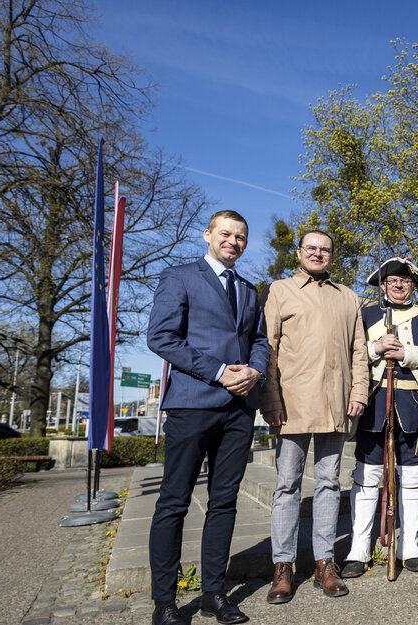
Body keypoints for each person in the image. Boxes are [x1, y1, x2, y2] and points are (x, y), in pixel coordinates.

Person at [146, 210, 270, 625]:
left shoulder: (250, 291)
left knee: (224, 502)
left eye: (240, 236)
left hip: (239, 408)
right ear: (208, 235)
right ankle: (164, 601)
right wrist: (218, 371)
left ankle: (213, 594)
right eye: (226, 233)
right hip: (193, 403)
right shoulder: (179, 277)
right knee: (174, 502)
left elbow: (259, 340)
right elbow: (162, 337)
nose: (233, 241)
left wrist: (256, 371)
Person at [260, 230, 368, 604]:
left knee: (328, 483)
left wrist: (358, 393)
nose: (318, 254)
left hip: (336, 403)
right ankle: (283, 566)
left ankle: (325, 563)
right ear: (299, 252)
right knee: (287, 485)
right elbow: (268, 348)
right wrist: (270, 398)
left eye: (325, 249)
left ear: (331, 255)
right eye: (312, 248)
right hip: (290, 405)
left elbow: (359, 351)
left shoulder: (349, 297)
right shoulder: (280, 290)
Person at [341, 257, 418, 577]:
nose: (399, 285)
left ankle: (409, 546)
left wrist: (405, 354)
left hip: (412, 404)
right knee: (367, 474)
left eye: (405, 281)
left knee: (413, 476)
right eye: (392, 281)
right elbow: (349, 352)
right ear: (382, 284)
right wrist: (375, 348)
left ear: (413, 285)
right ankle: (358, 549)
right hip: (374, 404)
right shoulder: (365, 315)